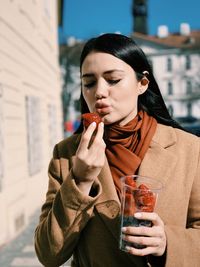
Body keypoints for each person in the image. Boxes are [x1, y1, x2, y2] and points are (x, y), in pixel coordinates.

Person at [34, 33, 200, 267]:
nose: (99, 92)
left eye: (112, 80)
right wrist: (80, 180)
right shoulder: (66, 154)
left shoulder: (189, 148)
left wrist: (167, 244)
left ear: (142, 83)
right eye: (89, 83)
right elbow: (48, 254)